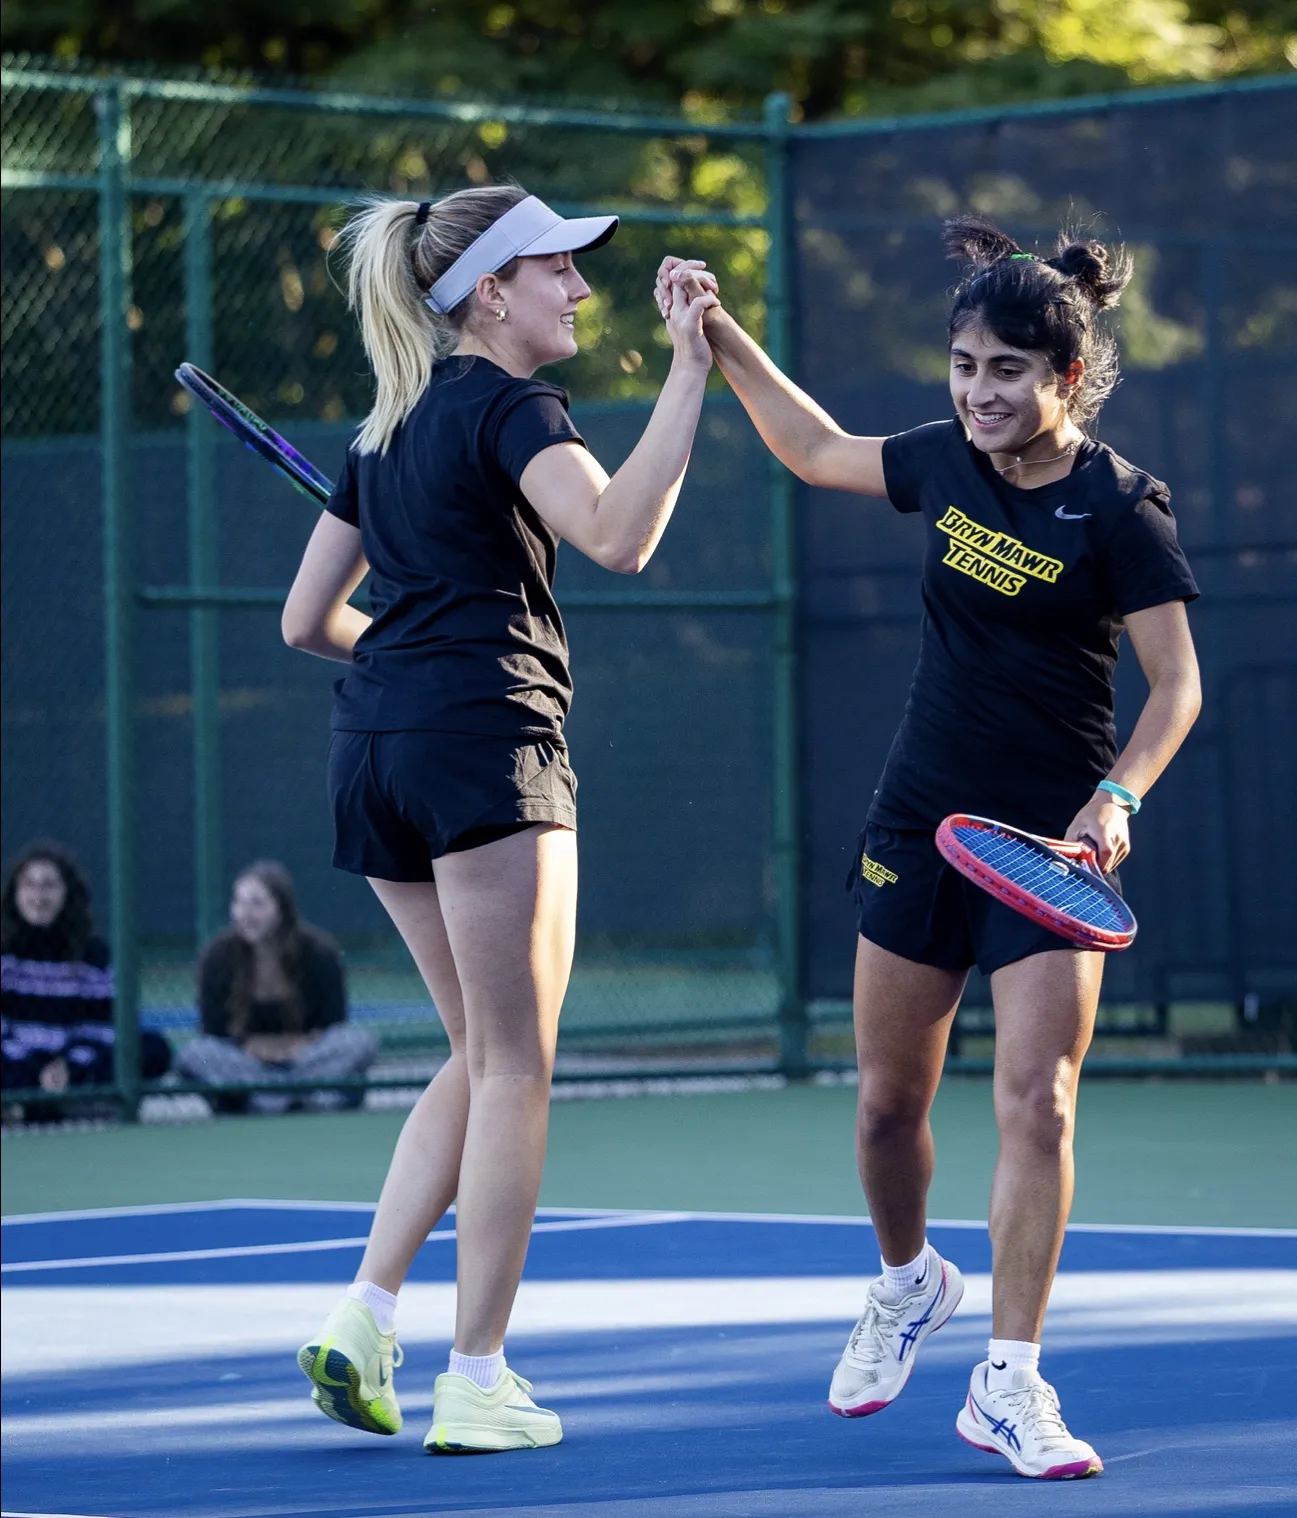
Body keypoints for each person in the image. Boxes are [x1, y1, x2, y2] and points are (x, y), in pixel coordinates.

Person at [657, 218, 1201, 1479]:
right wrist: (719, 333)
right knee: (888, 1105)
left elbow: (1175, 686)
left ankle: (1011, 1381)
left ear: (1065, 378)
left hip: (1052, 844)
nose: (979, 392)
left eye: (1007, 370)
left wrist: (1118, 796)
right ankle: (910, 1282)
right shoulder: (943, 461)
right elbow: (810, 449)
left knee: (1037, 1101)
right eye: (963, 366)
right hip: (920, 820)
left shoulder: (1121, 509)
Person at [280, 184, 719, 1455]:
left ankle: (366, 1317)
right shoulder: (510, 402)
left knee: (480, 1049)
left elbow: (308, 623)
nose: (579, 289)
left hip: (377, 749)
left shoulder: (387, 426)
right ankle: (478, 1374)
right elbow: (620, 534)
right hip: (484, 747)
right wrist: (689, 369)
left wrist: (413, 662)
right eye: (557, 271)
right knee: (521, 1066)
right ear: (490, 291)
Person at [172, 860, 374, 1114]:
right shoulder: (217, 956)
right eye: (239, 903)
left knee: (359, 1042)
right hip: (246, 1063)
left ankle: (268, 1099)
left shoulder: (319, 952)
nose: (245, 914)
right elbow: (212, 1029)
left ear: (282, 909)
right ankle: (293, 1098)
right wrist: (252, 1046)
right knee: (194, 1054)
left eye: (257, 904)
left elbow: (334, 1021)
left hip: (306, 1059)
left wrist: (297, 1045)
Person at [1, 840, 171, 1118]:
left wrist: (70, 1066)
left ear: (67, 892)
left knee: (154, 1047)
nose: (38, 896)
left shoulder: (92, 953)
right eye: (29, 885)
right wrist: (34, 1069)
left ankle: (38, 1104)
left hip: (73, 1064)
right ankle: (44, 1101)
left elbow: (99, 1025)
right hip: (18, 1063)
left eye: (49, 886)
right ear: (15, 893)